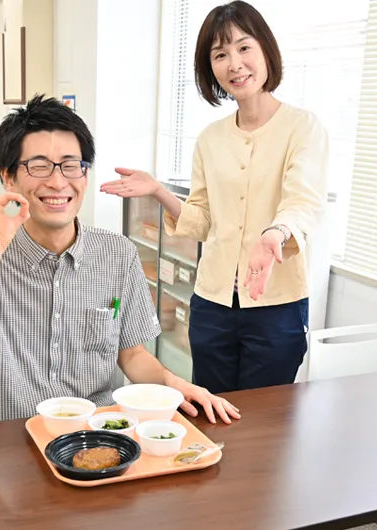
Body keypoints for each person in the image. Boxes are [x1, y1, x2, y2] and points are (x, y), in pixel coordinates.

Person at [0, 94, 240, 424]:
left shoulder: (118, 255)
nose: (58, 181)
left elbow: (132, 354)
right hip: (10, 446)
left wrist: (174, 385)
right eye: (38, 166)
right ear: (8, 177)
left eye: (70, 165)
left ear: (85, 174)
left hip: (98, 439)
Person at [100, 1, 329, 394]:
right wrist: (158, 190)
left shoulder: (302, 127)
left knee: (263, 422)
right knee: (211, 411)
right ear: (211, 69)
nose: (234, 64)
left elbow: (303, 201)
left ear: (265, 50)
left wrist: (274, 234)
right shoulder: (210, 138)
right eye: (220, 55)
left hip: (276, 305)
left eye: (244, 47)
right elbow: (202, 220)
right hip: (212, 303)